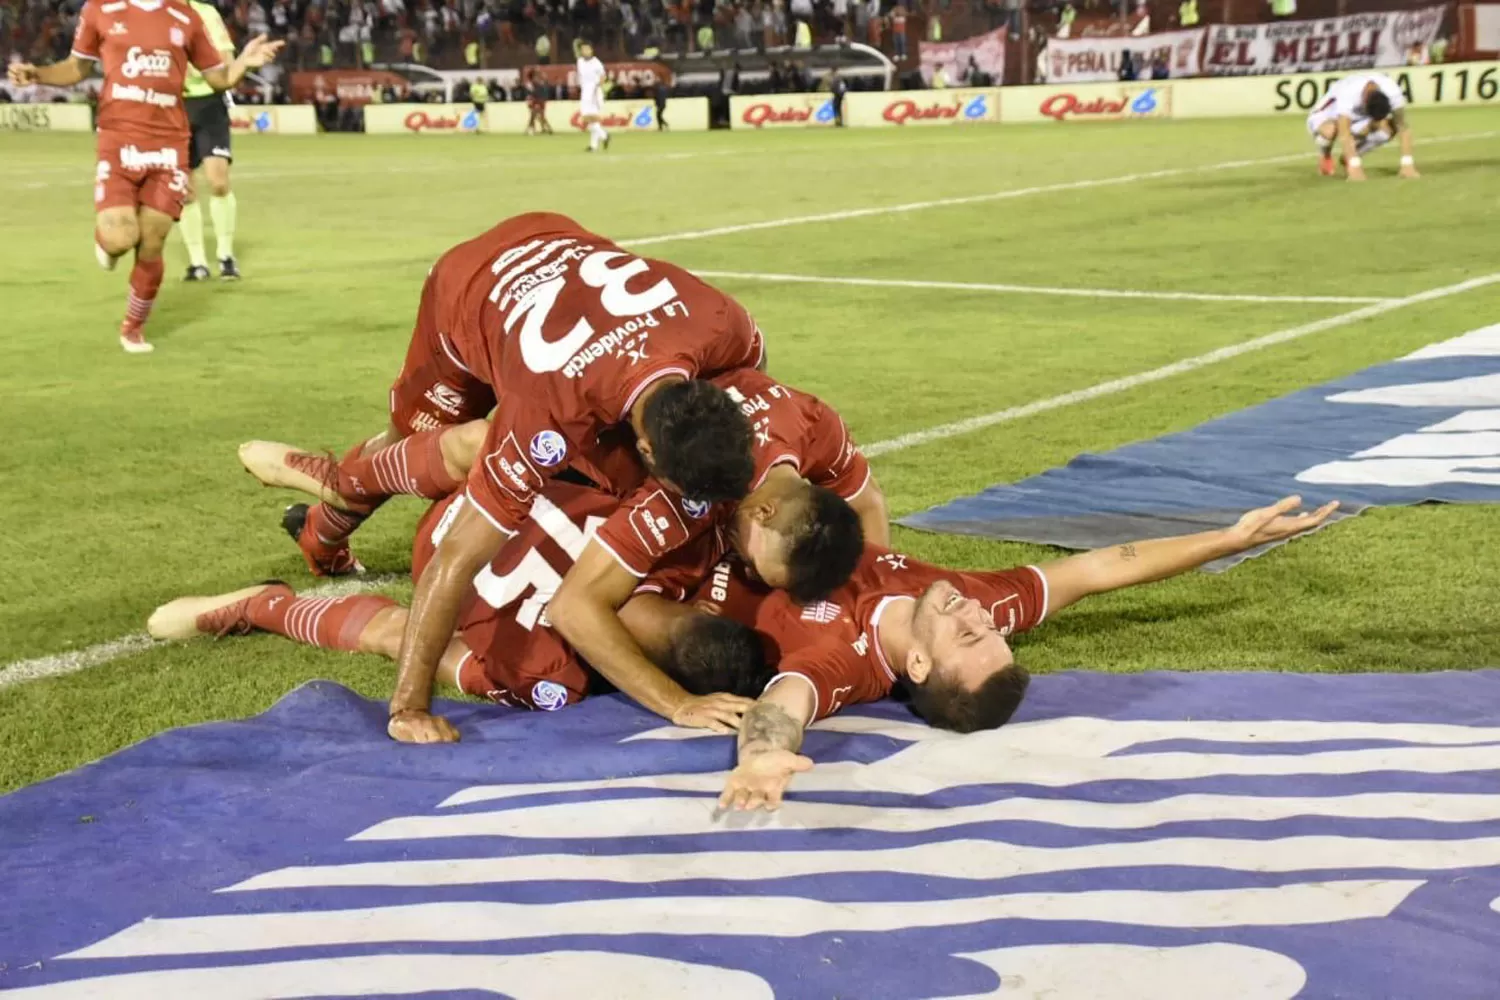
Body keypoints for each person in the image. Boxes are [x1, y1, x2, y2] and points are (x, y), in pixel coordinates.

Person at [716, 495, 1341, 811]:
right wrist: (1227, 539)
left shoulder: (842, 660)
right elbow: (1100, 569)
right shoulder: (975, 599)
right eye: (990, 628)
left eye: (967, 633)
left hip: (701, 560)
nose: (972, 613)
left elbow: (784, 704)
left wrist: (763, 756)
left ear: (918, 668)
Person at [148, 483, 773, 727]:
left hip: (485, 487)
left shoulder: (674, 548)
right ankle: (265, 607)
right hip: (445, 552)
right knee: (402, 635)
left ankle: (330, 491)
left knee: (473, 446)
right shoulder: (554, 675)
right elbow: (433, 645)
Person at [6, 2, 281, 353]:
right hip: (118, 139)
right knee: (122, 238)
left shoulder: (186, 16)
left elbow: (218, 77)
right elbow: (77, 68)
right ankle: (107, 241)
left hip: (168, 146)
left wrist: (244, 62)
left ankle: (133, 329)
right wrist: (37, 74)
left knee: (152, 242)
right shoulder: (100, 9)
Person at [177, 0, 241, 283]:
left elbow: (226, 57)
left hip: (209, 104)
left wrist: (225, 77)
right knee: (185, 189)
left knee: (218, 181)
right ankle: (197, 262)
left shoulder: (205, 13)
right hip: (173, 107)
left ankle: (226, 255)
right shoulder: (154, 14)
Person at [1307, 72, 1418, 181]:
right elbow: (1344, 133)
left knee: (1386, 131)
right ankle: (1325, 155)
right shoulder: (1349, 92)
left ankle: (1349, 157)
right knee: (1330, 131)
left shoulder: (1393, 92)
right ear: (1364, 102)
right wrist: (1354, 166)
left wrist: (1407, 164)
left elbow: (1402, 127)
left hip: (1360, 118)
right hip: (1327, 114)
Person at [575, 39, 608, 152]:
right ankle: (596, 144)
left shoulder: (596, 62)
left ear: (591, 50)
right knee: (591, 120)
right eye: (583, 49)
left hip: (594, 91)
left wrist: (597, 87)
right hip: (585, 91)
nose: (585, 51)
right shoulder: (579, 61)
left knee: (588, 117)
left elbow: (603, 76)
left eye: (587, 49)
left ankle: (603, 136)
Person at [526, 70, 552, 134]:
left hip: (540, 101)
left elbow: (544, 87)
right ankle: (546, 129)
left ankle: (544, 128)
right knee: (535, 115)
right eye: (535, 76)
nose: (536, 77)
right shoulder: (530, 84)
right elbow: (531, 93)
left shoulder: (538, 83)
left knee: (537, 115)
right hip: (535, 101)